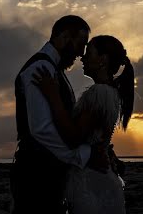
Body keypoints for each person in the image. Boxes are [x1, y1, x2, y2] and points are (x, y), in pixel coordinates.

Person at [11, 15, 110, 213]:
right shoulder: (41, 68)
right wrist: (84, 155)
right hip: (36, 175)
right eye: (80, 44)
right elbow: (42, 130)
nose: (82, 53)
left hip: (48, 173)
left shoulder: (55, 70)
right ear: (65, 37)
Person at [33, 34, 134, 214]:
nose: (83, 57)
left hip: (91, 181)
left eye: (89, 53)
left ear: (102, 60)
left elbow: (73, 137)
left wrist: (52, 94)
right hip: (100, 177)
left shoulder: (98, 94)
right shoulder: (110, 92)